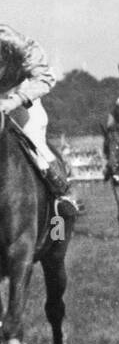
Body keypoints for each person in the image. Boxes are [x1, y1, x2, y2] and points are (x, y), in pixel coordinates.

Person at [0, 24, 76, 209]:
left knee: (34, 140)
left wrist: (15, 101)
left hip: (20, 94)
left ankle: (62, 195)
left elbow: (46, 78)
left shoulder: (21, 46)